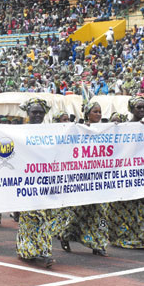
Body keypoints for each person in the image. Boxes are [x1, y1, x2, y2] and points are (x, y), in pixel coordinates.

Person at [108, 97, 144, 249]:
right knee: (126, 208)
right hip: (127, 174)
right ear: (131, 109)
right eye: (138, 108)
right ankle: (124, 237)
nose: (141, 110)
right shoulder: (124, 127)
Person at [58, 102, 110, 256]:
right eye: (95, 111)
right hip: (83, 179)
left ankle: (99, 244)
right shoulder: (79, 130)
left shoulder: (107, 129)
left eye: (100, 111)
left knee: (102, 213)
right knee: (79, 212)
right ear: (88, 114)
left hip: (101, 180)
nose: (99, 114)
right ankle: (65, 235)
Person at [16, 98, 61, 267]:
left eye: (40, 112)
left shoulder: (51, 132)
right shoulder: (19, 132)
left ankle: (36, 250)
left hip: (46, 182)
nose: (37, 115)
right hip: (26, 183)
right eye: (34, 112)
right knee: (32, 218)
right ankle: (36, 251)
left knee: (42, 218)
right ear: (28, 113)